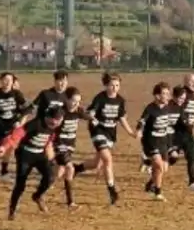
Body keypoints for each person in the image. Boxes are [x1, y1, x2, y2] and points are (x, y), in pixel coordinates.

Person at [0, 106, 64, 220]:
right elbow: (17, 134)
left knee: (50, 177)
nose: (54, 122)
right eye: (52, 119)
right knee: (20, 184)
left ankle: (37, 196)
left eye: (58, 120)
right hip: (25, 154)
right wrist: (5, 147)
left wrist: (52, 157)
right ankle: (12, 210)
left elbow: (50, 139)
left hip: (40, 155)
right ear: (47, 117)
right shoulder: (36, 123)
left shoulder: (56, 126)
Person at [84, 72, 134, 205]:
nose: (114, 88)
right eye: (112, 85)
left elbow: (122, 118)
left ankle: (76, 168)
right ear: (106, 85)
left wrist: (131, 132)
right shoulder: (100, 98)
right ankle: (112, 190)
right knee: (107, 158)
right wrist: (92, 117)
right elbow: (91, 112)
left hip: (110, 133)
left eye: (117, 85)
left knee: (97, 163)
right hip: (98, 130)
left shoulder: (120, 100)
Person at [137, 82, 180, 201]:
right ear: (157, 96)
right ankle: (158, 192)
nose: (168, 96)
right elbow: (142, 121)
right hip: (150, 141)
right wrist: (139, 130)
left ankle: (147, 166)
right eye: (165, 94)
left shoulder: (167, 107)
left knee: (163, 168)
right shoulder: (150, 108)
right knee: (159, 165)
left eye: (168, 93)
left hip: (163, 141)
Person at [53, 87, 91, 209]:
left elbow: (87, 116)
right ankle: (70, 202)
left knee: (59, 172)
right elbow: (50, 125)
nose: (76, 104)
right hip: (59, 145)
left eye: (79, 101)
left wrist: (94, 119)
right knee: (70, 168)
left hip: (69, 146)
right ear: (67, 99)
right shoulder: (60, 112)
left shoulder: (78, 111)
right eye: (74, 101)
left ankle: (41, 190)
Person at [0, 73, 27, 179]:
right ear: (1, 80)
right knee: (2, 150)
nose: (7, 82)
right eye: (5, 80)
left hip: (12, 126)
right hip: (0, 126)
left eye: (10, 80)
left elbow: (25, 109)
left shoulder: (17, 94)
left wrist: (20, 122)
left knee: (7, 149)